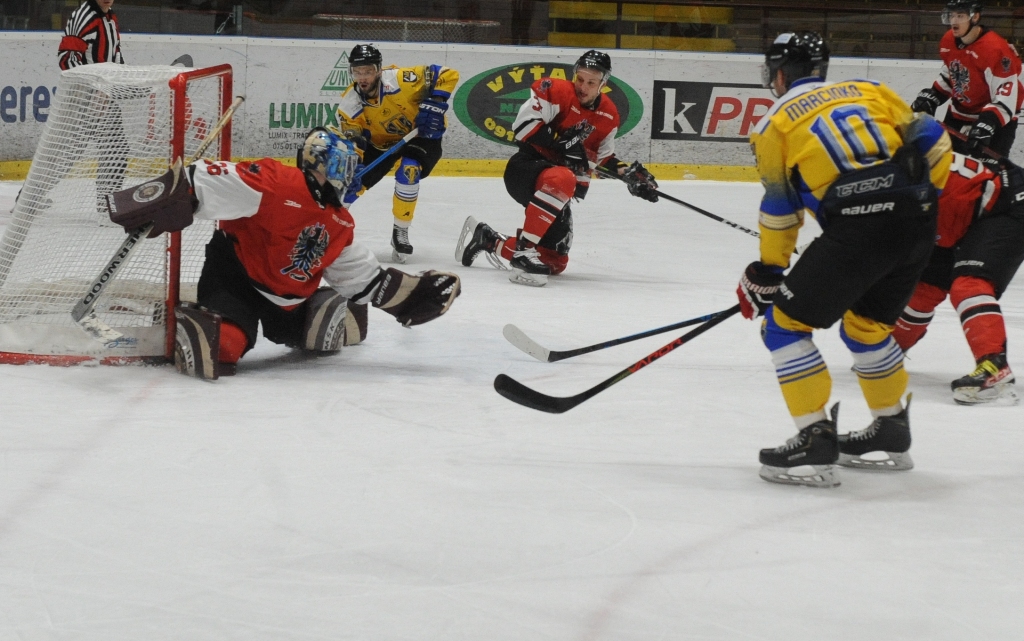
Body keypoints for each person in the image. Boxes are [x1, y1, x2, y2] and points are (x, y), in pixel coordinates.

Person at [737, 32, 953, 488]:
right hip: (917, 223)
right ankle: (891, 427)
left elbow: (781, 208)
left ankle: (814, 436)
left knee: (783, 326)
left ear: (780, 74)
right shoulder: (870, 90)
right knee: (866, 328)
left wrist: (769, 271)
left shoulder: (774, 123)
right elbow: (936, 140)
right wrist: (919, 197)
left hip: (859, 230)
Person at [104, 128, 462, 379]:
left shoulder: (339, 220)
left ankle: (317, 309)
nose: (352, 176)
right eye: (347, 167)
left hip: (287, 300)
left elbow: (364, 277)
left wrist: (413, 296)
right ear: (326, 164)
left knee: (318, 336)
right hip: (236, 280)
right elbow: (208, 178)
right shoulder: (276, 184)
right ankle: (185, 321)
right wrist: (169, 195)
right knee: (222, 348)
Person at [454, 49, 659, 287]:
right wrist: (562, 144)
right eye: (580, 79)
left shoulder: (608, 115)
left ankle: (488, 240)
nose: (583, 87)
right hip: (527, 168)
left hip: (558, 185)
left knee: (553, 261)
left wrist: (629, 175)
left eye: (591, 83)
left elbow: (602, 159)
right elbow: (522, 127)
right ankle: (524, 251)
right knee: (564, 178)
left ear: (603, 84)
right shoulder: (556, 91)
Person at [892, 152, 1024, 405]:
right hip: (972, 209)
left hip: (1009, 204)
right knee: (925, 288)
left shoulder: (909, 190)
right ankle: (890, 351)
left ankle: (995, 368)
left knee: (969, 284)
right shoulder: (896, 177)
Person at [334, 44, 460, 264]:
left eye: (368, 71)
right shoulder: (350, 103)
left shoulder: (401, 80)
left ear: (379, 70)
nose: (362, 77)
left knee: (409, 170)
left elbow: (447, 74)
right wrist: (355, 161)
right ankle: (329, 228)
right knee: (351, 183)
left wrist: (435, 103)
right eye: (357, 71)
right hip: (379, 144)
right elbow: (354, 139)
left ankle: (400, 231)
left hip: (420, 135)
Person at [911, 1, 1023, 158]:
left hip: (997, 119)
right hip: (960, 113)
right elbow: (953, 74)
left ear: (975, 17)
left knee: (989, 170)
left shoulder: (995, 49)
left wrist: (987, 123)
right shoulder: (948, 40)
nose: (954, 21)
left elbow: (1006, 94)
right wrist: (934, 95)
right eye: (951, 15)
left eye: (960, 16)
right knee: (946, 164)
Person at [57, 0, 127, 211]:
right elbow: (67, 58)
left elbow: (115, 56)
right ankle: (28, 199)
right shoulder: (84, 16)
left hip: (105, 97)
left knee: (116, 149)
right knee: (64, 156)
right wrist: (92, 91)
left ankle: (106, 206)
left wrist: (121, 81)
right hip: (83, 100)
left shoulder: (111, 17)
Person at [57, 0, 123, 69]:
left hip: (104, 75)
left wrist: (119, 71)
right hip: (87, 76)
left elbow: (116, 50)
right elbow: (67, 60)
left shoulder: (111, 16)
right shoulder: (83, 18)